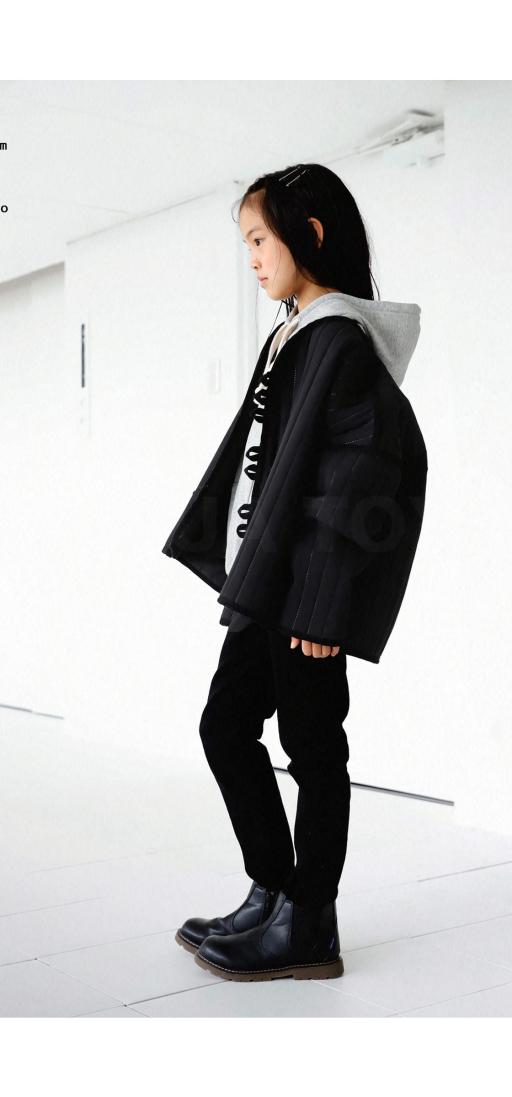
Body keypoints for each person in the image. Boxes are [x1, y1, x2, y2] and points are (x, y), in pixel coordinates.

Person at [162, 163, 428, 982]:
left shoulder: (338, 337)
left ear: (309, 234)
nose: (250, 257)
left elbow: (359, 473)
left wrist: (324, 602)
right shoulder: (295, 334)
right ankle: (274, 891)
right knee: (226, 725)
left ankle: (310, 923)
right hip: (271, 580)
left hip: (303, 592)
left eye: (258, 238)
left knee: (313, 749)